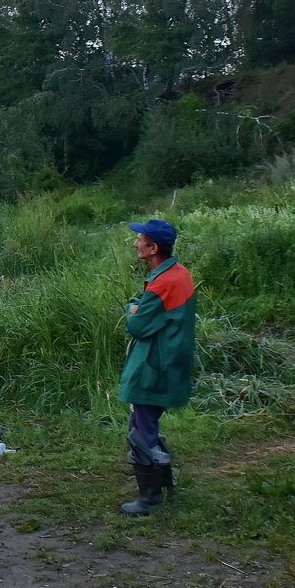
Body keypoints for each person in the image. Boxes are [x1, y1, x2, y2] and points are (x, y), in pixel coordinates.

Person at [118, 219, 196, 515]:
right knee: (145, 422)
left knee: (141, 430)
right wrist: (140, 304)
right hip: (170, 364)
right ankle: (164, 483)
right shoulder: (179, 273)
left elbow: (137, 324)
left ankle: (149, 498)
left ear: (153, 247)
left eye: (140, 240)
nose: (135, 244)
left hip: (155, 366)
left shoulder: (163, 282)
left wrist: (132, 307)